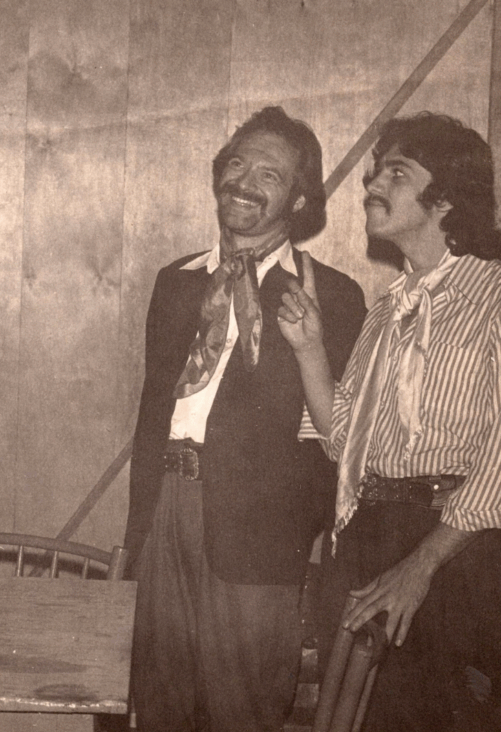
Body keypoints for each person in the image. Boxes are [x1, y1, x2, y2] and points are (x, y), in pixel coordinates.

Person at [125, 107, 366, 732]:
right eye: (236, 164)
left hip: (259, 541)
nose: (245, 182)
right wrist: (139, 533)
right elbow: (154, 412)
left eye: (270, 174)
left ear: (300, 199)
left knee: (242, 713)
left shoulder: (332, 295)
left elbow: (338, 436)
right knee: (156, 710)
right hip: (165, 516)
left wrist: (291, 540)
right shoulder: (176, 282)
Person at [278, 112, 501, 730]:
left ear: (447, 199)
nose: (373, 184)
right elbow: (343, 441)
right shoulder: (387, 314)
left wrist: (422, 564)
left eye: (396, 173)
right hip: (369, 537)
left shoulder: (494, 297)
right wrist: (309, 350)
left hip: (454, 548)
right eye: (375, 171)